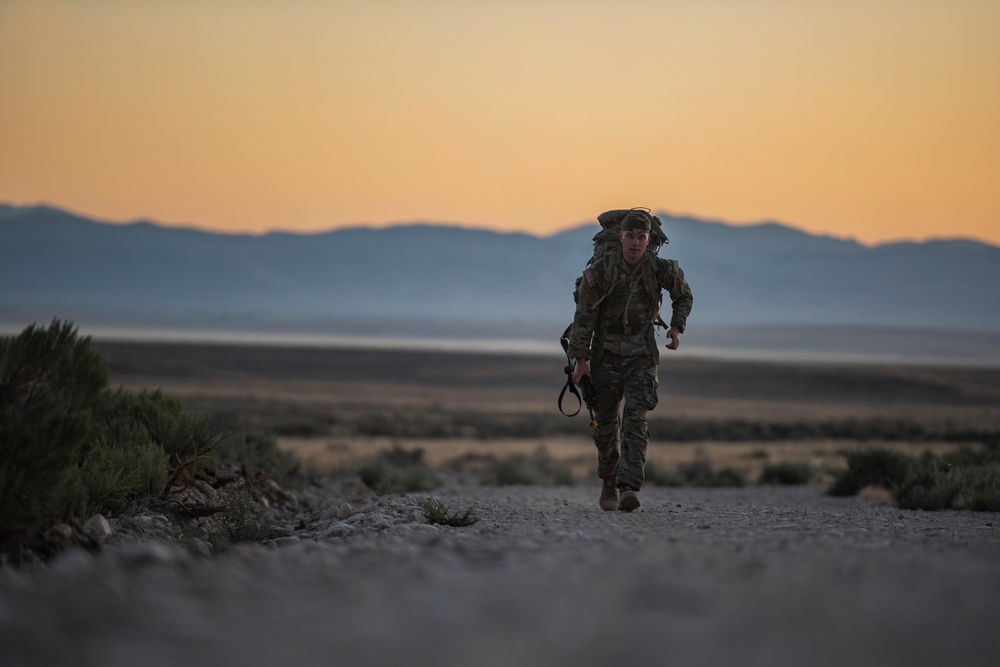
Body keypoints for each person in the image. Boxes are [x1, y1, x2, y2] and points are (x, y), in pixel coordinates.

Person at [567, 209, 693, 511]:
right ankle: (609, 479)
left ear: (648, 240)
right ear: (620, 237)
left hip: (641, 352)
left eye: (641, 237)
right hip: (605, 353)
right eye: (630, 237)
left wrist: (677, 326)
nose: (635, 243)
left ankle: (628, 487)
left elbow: (683, 294)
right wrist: (580, 361)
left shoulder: (660, 269)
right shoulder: (599, 272)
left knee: (637, 420)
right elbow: (583, 318)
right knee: (605, 426)